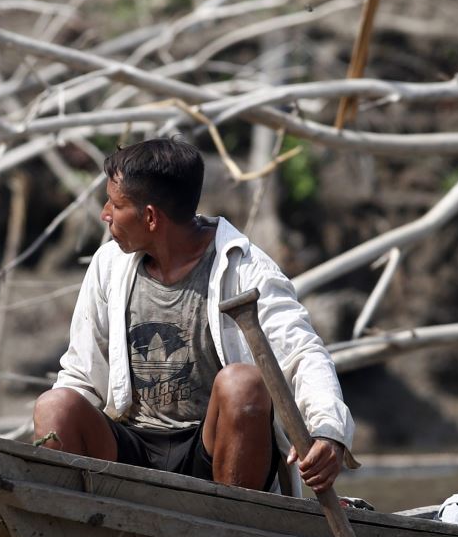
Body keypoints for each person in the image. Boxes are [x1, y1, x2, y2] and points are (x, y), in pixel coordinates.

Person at [32, 138, 354, 494]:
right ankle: (80, 530)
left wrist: (328, 430)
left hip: (214, 453)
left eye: (116, 204)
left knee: (241, 384)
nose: (104, 213)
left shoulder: (248, 270)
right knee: (55, 406)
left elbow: (302, 354)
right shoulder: (109, 265)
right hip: (133, 445)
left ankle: (233, 527)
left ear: (151, 217)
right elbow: (81, 373)